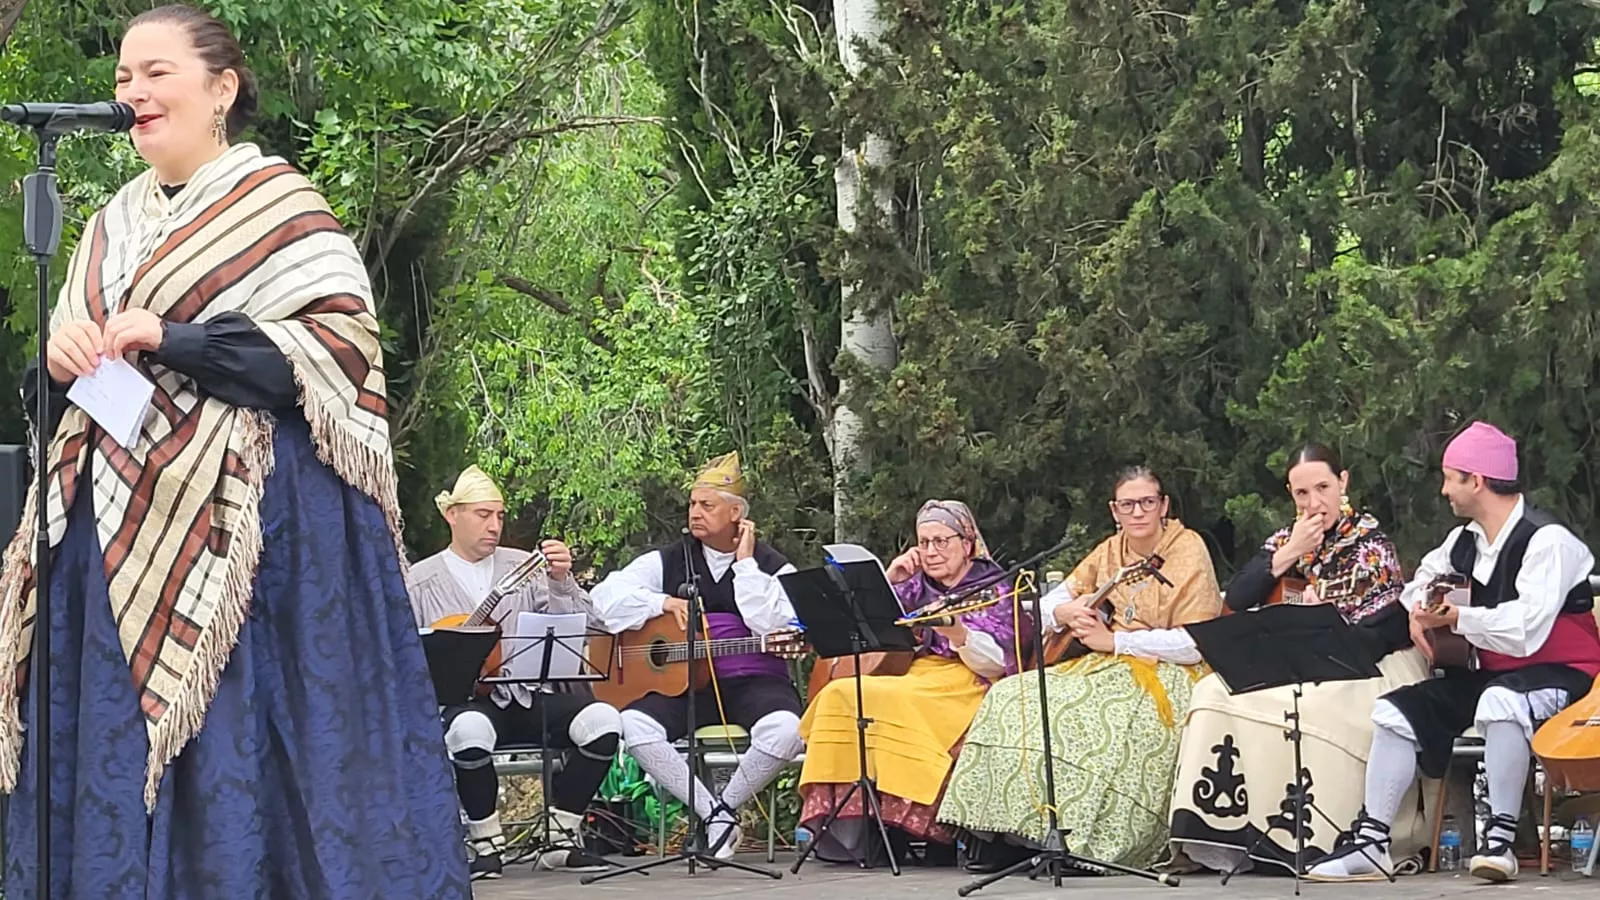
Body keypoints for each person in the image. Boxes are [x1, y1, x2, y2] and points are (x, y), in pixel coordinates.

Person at [0, 5, 470, 898]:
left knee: (243, 744)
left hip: (254, 537)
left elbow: (337, 351)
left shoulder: (280, 204)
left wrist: (173, 338)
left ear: (221, 89)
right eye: (122, 79)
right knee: (115, 744)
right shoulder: (104, 228)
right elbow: (58, 405)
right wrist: (58, 368)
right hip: (107, 532)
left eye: (155, 73)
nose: (132, 92)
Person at [1309, 422, 1600, 883]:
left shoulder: (1549, 541)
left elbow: (1526, 628)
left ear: (1477, 481)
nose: (1444, 489)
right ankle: (1372, 844)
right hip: (1492, 674)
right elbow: (1421, 582)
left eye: (1450, 478)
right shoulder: (1463, 541)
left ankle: (1500, 842)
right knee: (1395, 713)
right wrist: (1415, 614)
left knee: (1500, 701)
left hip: (1567, 674)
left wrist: (1458, 620)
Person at [940, 467, 1223, 872]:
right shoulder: (1110, 550)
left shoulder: (1188, 550)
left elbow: (1195, 642)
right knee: (1012, 694)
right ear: (1115, 511)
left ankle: (1086, 843)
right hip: (1106, 662)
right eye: (1128, 504)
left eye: (1147, 502)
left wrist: (1117, 641)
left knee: (1086, 716)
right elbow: (1041, 606)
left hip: (1169, 670)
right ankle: (1004, 834)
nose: (1138, 512)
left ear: (1163, 506)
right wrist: (1063, 611)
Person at [1167, 443, 1429, 875]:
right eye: (1301, 494)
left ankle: (1313, 839)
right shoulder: (1284, 541)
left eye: (1323, 488)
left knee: (1318, 707)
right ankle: (1228, 834)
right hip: (1297, 656)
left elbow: (1381, 630)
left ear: (1343, 483)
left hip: (1365, 662)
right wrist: (1289, 553)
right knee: (1214, 690)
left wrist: (1318, 622)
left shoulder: (1370, 544)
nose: (1313, 503)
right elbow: (1238, 596)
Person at [591, 451, 805, 859]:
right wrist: (660, 604)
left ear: (736, 514)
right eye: (693, 504)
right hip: (686, 684)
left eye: (707, 505)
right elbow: (603, 600)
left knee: (786, 729)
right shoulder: (669, 559)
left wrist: (745, 565)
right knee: (633, 724)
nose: (696, 513)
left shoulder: (773, 566)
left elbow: (772, 624)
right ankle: (714, 814)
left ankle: (724, 806)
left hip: (753, 681)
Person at [409, 465, 619, 878]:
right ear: (453, 515)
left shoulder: (526, 567)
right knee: (468, 730)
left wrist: (561, 582)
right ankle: (487, 845)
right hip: (466, 704)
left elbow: (584, 629)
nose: (494, 525)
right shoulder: (420, 580)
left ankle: (561, 836)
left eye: (499, 516)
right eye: (483, 515)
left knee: (604, 721)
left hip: (526, 695)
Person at [797, 499, 1027, 866]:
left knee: (898, 701)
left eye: (942, 541)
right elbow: (872, 629)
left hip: (966, 680)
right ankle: (854, 832)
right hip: (915, 674)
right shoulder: (914, 585)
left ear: (967, 543)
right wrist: (888, 581)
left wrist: (958, 632)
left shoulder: (992, 587)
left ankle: (917, 823)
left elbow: (998, 661)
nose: (932, 552)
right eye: (924, 543)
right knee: (841, 693)